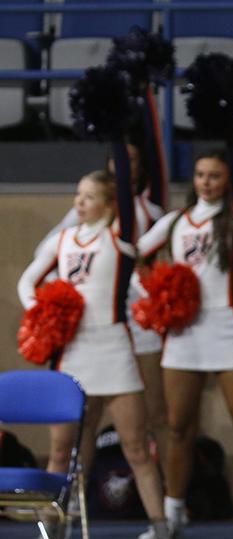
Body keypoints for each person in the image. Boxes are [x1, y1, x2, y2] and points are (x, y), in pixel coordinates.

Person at [18, 149, 169, 539]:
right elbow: (27, 282)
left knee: (136, 446)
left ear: (108, 203)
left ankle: (162, 525)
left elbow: (124, 194)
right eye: (77, 195)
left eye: (88, 197)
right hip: (73, 353)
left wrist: (117, 136)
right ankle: (54, 525)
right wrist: (44, 310)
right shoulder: (63, 240)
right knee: (64, 451)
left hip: (115, 352)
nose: (79, 203)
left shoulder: (120, 239)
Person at [136, 141, 233, 538]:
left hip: (227, 330)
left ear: (229, 179)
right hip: (184, 333)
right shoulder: (175, 220)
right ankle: (173, 516)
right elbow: (135, 253)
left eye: (215, 175)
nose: (206, 182)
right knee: (178, 428)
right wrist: (154, 292)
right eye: (200, 174)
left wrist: (232, 123)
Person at [35, 137, 170, 461]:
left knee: (152, 419)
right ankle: (76, 506)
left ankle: (166, 501)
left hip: (137, 327)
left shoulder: (147, 213)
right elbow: (44, 261)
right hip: (84, 334)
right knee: (80, 433)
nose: (81, 202)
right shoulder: (75, 224)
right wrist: (51, 308)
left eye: (134, 160)